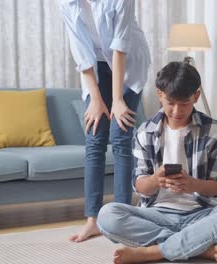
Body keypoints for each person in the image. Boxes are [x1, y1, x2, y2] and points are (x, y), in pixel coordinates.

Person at [96, 62, 217, 264]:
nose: (177, 110)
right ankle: (198, 246)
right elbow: (140, 186)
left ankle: (152, 252)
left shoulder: (216, 133)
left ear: (196, 96)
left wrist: (193, 185)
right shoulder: (144, 132)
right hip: (156, 214)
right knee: (107, 215)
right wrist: (155, 180)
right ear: (160, 94)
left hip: (200, 214)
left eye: (184, 103)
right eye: (171, 102)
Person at [59, 0, 151, 242]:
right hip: (95, 67)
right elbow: (80, 50)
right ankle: (93, 220)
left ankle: (121, 218)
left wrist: (118, 98)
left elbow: (120, 46)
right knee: (94, 138)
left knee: (121, 137)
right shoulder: (66, 2)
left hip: (128, 62)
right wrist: (96, 98)